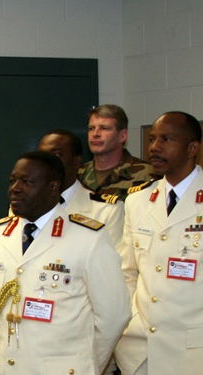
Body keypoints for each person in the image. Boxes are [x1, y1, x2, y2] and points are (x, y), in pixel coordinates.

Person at [0, 151, 130, 374]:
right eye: (13, 181)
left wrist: (84, 364)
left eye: (27, 182)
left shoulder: (88, 238)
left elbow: (114, 316)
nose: (16, 188)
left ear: (53, 188)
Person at [115, 111, 203, 375]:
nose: (154, 147)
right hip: (141, 351)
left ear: (192, 148)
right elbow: (127, 272)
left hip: (193, 351)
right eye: (152, 139)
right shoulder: (137, 201)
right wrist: (129, 322)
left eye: (166, 139)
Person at [39, 129, 124, 249]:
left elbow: (113, 263)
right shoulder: (26, 204)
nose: (47, 163)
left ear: (76, 162)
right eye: (41, 157)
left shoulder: (107, 210)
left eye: (56, 155)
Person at [78, 104, 159, 201]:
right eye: (91, 128)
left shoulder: (147, 174)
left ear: (122, 136)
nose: (95, 134)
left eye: (104, 128)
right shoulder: (78, 175)